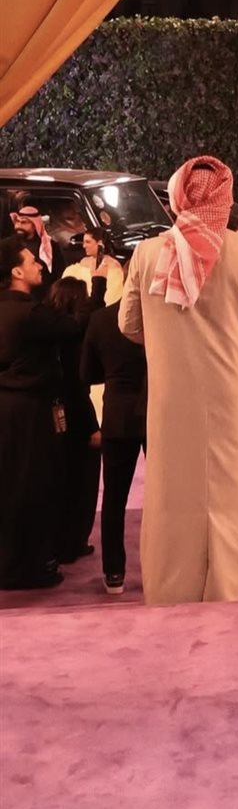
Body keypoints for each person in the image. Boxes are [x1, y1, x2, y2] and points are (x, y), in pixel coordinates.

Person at [118, 155, 238, 606]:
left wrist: (168, 344)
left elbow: (128, 324)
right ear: (226, 198)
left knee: (173, 497)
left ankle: (171, 589)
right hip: (236, 399)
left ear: (177, 197)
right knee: (237, 497)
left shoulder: (148, 253)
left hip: (172, 401)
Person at [0, 240, 105, 589]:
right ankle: (28, 569)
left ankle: (12, 565)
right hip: (30, 412)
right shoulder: (31, 314)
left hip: (7, 408)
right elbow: (78, 324)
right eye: (32, 261)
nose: (40, 265)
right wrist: (98, 283)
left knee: (10, 485)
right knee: (33, 486)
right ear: (16, 271)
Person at [80, 297, 147, 594]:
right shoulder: (164, 313)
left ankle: (114, 572)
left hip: (118, 414)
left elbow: (87, 373)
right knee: (168, 497)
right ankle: (167, 568)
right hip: (158, 412)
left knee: (114, 498)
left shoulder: (101, 319)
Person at [46, 278, 102, 565]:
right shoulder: (76, 337)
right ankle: (74, 541)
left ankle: (59, 541)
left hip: (53, 413)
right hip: (78, 415)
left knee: (59, 479)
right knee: (82, 480)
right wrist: (93, 425)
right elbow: (79, 386)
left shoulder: (48, 332)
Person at [62, 228, 124, 303]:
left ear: (100, 243)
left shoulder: (113, 265)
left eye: (88, 242)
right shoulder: (83, 261)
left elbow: (113, 297)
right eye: (83, 242)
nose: (84, 246)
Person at [8, 206, 65, 287]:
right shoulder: (8, 245)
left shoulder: (51, 246)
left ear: (35, 224)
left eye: (23, 222)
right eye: (17, 221)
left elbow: (59, 273)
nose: (19, 225)